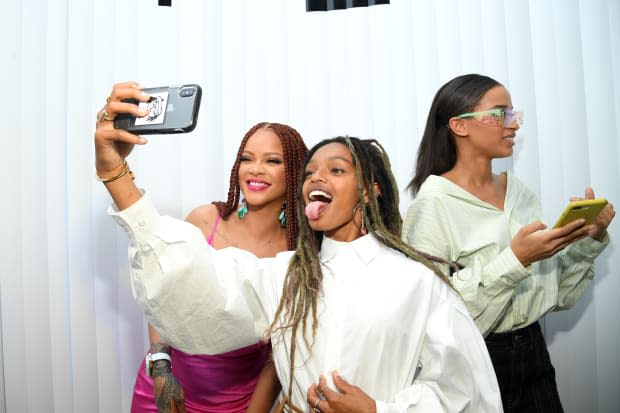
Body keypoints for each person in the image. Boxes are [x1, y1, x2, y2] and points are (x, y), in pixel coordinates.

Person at [95, 88, 503, 412]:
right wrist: (115, 174)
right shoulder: (287, 275)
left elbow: (463, 391)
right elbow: (194, 285)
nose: (314, 178)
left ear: (369, 190)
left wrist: (378, 410)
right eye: (309, 172)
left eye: (336, 170)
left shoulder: (419, 282)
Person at [402, 73, 615, 412]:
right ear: (459, 126)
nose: (513, 125)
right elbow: (431, 317)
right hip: (476, 362)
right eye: (501, 114)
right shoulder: (433, 204)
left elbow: (559, 296)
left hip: (535, 356)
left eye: (514, 114)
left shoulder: (519, 193)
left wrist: (588, 240)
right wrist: (516, 259)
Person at [100, 84, 308, 413]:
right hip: (166, 388)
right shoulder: (205, 220)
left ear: (295, 172)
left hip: (238, 401)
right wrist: (162, 373)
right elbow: (163, 292)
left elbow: (280, 352)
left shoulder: (299, 251)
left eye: (272, 161)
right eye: (247, 159)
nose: (255, 169)